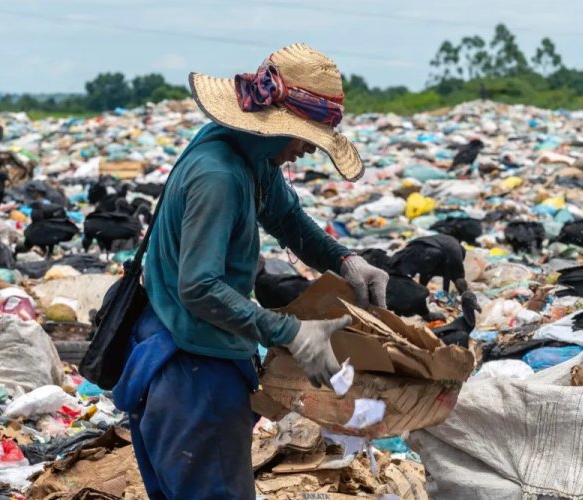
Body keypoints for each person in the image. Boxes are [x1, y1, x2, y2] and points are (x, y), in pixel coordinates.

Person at [112, 43, 389, 499]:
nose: (305, 151)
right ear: (273, 125)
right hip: (191, 374)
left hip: (178, 355)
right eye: (304, 138)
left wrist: (345, 261)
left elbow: (287, 220)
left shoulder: (248, 155)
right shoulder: (218, 176)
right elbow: (199, 287)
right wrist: (291, 333)